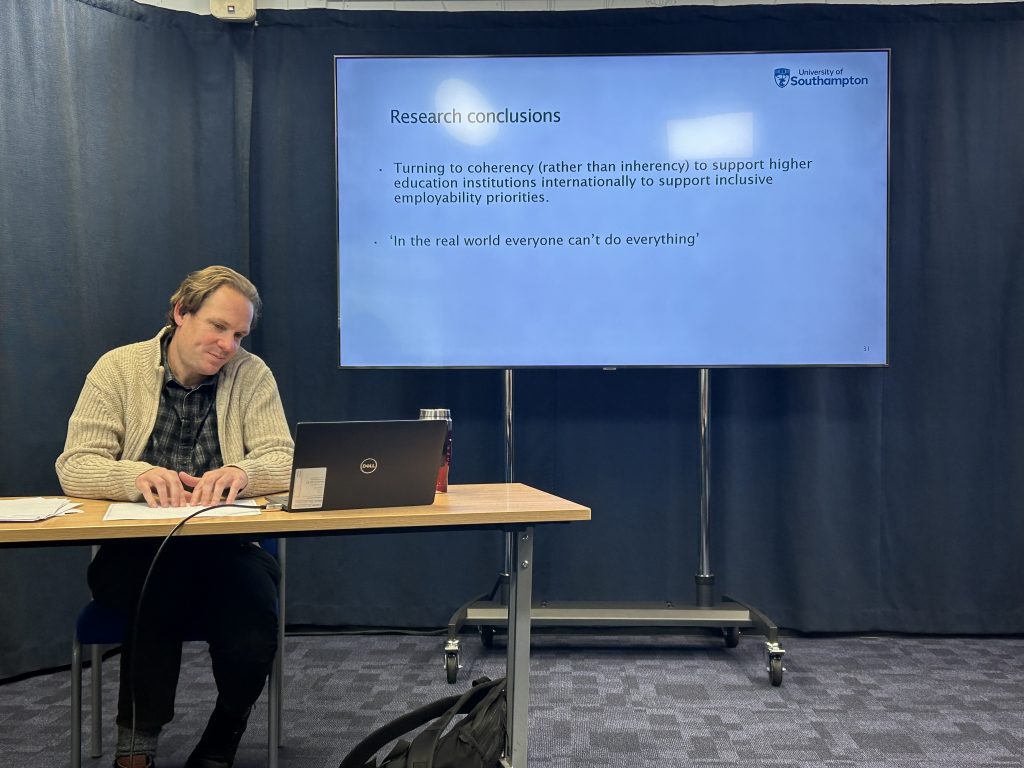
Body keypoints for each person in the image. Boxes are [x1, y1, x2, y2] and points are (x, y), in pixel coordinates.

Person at [56, 266, 294, 768]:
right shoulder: (118, 369)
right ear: (180, 313)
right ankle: (137, 747)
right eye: (217, 327)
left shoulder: (251, 375)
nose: (228, 345)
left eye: (238, 334)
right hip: (135, 553)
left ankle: (221, 737)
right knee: (159, 582)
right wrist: (135, 477)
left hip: (225, 550)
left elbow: (284, 459)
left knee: (255, 612)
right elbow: (76, 466)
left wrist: (241, 472)